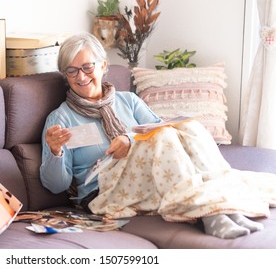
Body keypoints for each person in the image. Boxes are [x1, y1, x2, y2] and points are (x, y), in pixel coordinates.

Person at [40, 32, 276, 239]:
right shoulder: (60, 119)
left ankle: (225, 208)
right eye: (71, 71)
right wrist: (55, 151)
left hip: (143, 177)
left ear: (102, 65)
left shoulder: (128, 101)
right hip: (102, 192)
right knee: (162, 138)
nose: (80, 77)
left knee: (190, 129)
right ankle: (211, 216)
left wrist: (128, 140)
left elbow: (163, 131)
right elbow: (55, 185)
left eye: (87, 67)